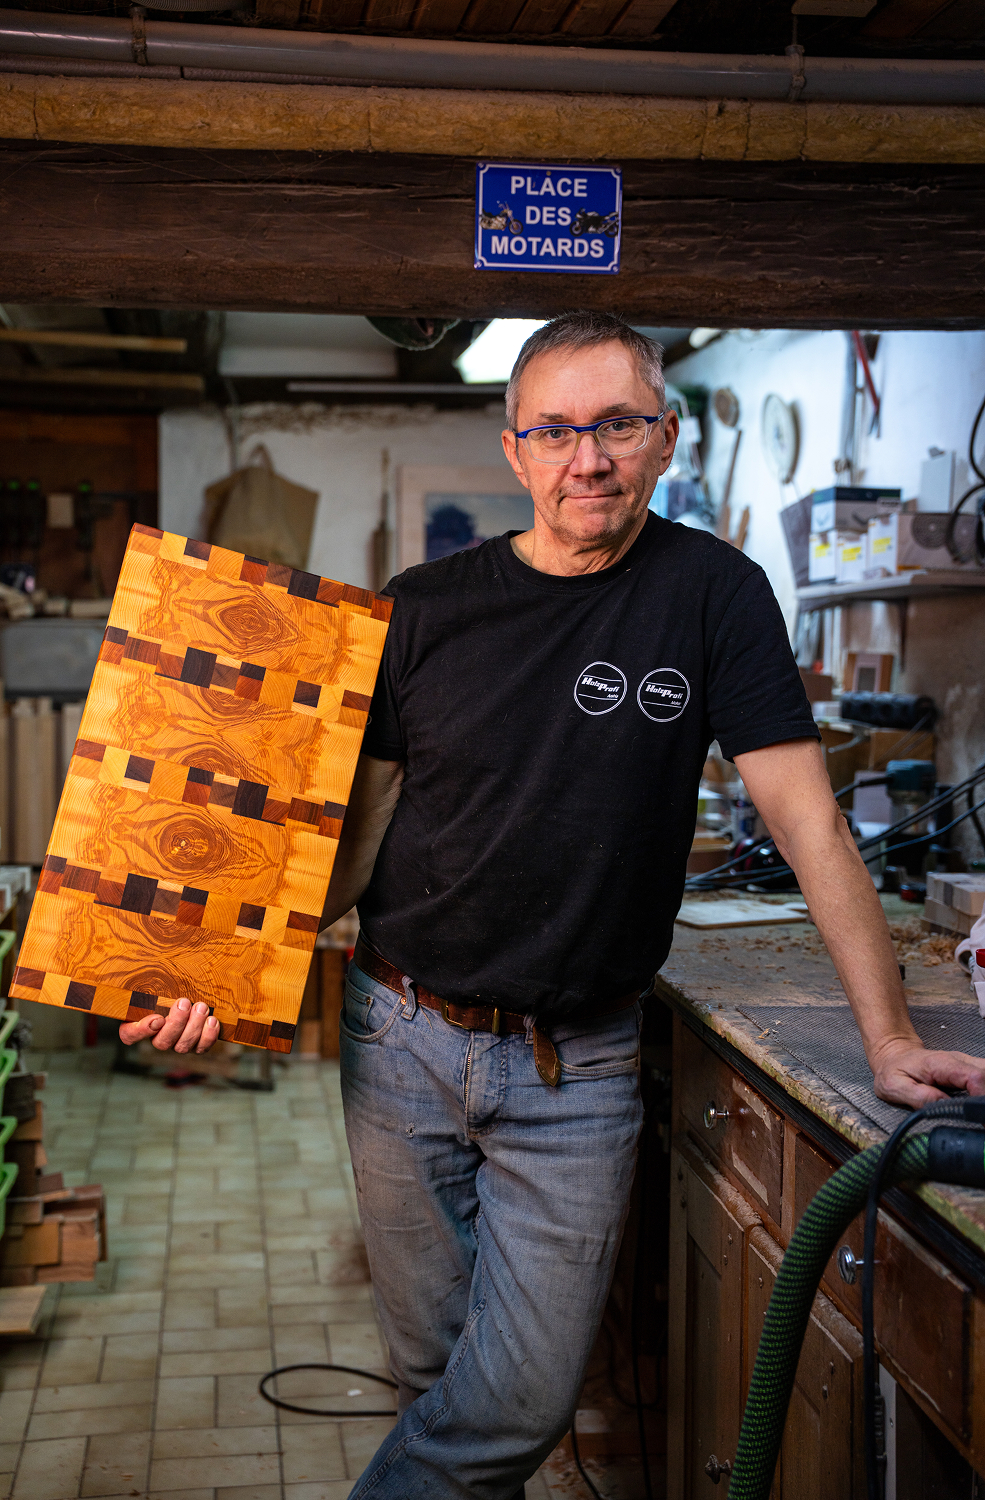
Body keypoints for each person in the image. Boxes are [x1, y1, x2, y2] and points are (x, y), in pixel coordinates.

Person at [122, 311, 985, 1499]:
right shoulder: (421, 608)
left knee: (519, 1403)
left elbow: (809, 825)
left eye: (617, 424)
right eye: (557, 430)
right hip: (400, 1036)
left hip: (576, 1065)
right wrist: (214, 971)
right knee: (434, 1379)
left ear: (665, 437)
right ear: (514, 449)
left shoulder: (713, 594)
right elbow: (335, 834)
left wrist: (886, 1037)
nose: (589, 457)